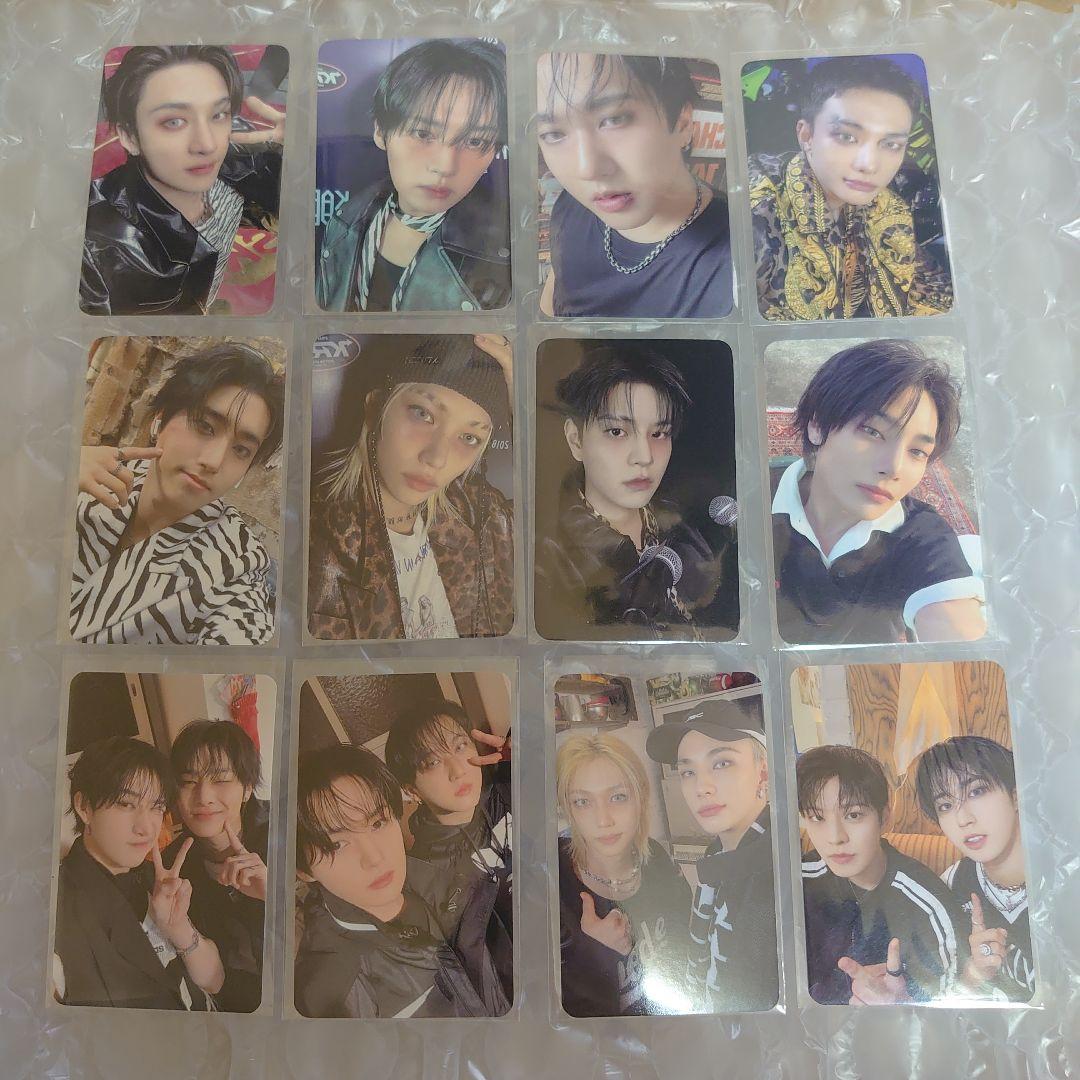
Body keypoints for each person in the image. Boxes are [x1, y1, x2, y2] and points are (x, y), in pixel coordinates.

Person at [771, 338, 985, 645]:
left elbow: (955, 628)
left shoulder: (924, 539)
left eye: (917, 451)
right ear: (817, 425)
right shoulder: (742, 500)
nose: (894, 467)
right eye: (872, 432)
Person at [70, 343, 285, 645]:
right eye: (205, 426)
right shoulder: (93, 478)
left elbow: (242, 637)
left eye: (241, 450)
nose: (214, 461)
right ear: (160, 419)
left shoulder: (235, 567)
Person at [307, 334, 514, 640]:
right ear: (375, 408)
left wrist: (522, 401)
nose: (436, 458)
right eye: (423, 414)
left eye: (469, 438)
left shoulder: (480, 514)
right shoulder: (311, 543)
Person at [293, 744, 510, 1018]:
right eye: (337, 845)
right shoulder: (333, 990)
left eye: (377, 823)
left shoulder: (455, 888)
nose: (373, 858)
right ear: (304, 870)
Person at [535, 342, 725, 640]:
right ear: (575, 440)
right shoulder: (551, 556)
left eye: (659, 433)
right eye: (617, 432)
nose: (644, 457)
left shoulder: (682, 528)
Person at [81, 45, 285, 316]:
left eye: (218, 115)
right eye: (174, 122)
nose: (207, 145)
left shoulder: (235, 165)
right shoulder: (92, 249)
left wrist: (306, 156)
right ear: (129, 136)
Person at [748, 55, 953, 320]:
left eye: (891, 145)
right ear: (806, 135)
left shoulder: (888, 209)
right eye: (847, 137)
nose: (869, 164)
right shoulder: (757, 215)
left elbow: (931, 286)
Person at [316, 38, 510, 312]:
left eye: (475, 141)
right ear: (381, 131)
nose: (445, 166)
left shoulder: (509, 250)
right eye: (423, 133)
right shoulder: (345, 222)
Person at [536, 52, 732, 318]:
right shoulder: (570, 207)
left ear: (683, 122)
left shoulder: (737, 262)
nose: (587, 169)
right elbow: (554, 297)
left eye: (614, 119)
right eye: (553, 134)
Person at [53, 736, 224, 1010]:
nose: (146, 827)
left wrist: (179, 929)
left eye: (156, 807)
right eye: (126, 804)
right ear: (84, 807)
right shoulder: (55, 907)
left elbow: (215, 982)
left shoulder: (157, 878)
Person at [798, 744, 964, 1004]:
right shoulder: (796, 883)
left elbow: (952, 1010)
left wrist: (903, 1004)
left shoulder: (926, 904)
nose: (835, 837)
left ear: (884, 818)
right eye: (817, 818)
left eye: (853, 815)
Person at [645, 695, 779, 1012]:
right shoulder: (718, 854)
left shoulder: (780, 869)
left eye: (721, 763)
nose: (701, 787)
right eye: (688, 772)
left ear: (763, 772)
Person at [555, 732, 693, 1017]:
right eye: (582, 802)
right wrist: (596, 953)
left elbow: (685, 955)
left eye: (617, 797)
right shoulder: (551, 885)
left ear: (640, 797)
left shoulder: (657, 860)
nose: (603, 820)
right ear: (567, 808)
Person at [915, 736, 1034, 1001]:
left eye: (977, 791)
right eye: (945, 806)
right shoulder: (951, 885)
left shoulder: (1064, 874)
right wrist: (975, 973)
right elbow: (944, 1000)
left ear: (1016, 796)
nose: (963, 819)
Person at [165, 720, 269, 1012]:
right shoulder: (173, 868)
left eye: (221, 780)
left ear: (247, 788)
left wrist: (274, 894)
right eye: (189, 782)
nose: (204, 798)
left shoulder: (287, 836)